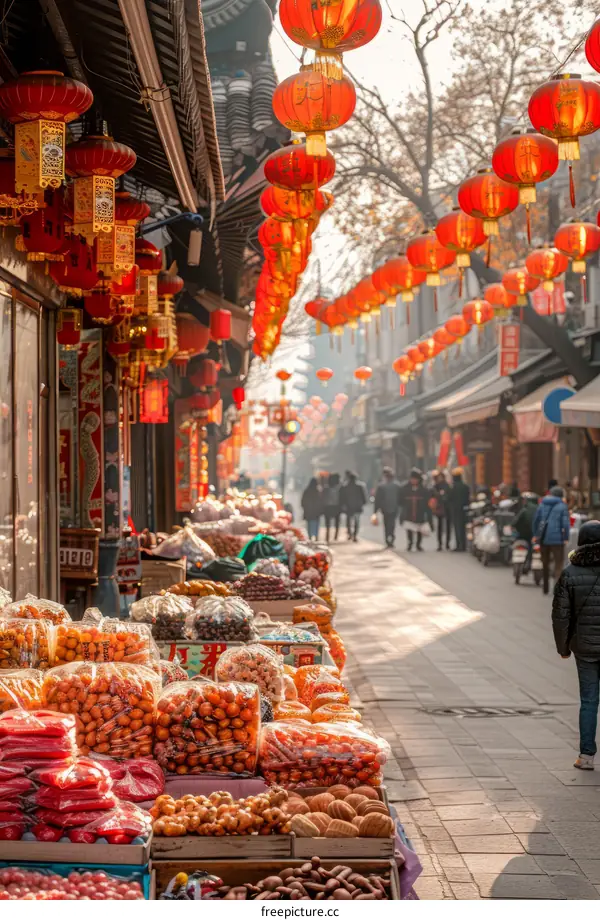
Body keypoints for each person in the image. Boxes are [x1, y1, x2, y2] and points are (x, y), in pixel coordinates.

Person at [552, 520, 600, 770]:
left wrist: (563, 648)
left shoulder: (570, 573)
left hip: (585, 648)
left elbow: (561, 616)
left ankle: (586, 756)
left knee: (589, 701)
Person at [533, 485, 570, 594]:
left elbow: (536, 521)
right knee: (558, 563)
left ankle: (545, 588)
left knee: (545, 563)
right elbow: (565, 524)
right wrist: (566, 537)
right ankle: (557, 588)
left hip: (543, 538)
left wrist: (536, 534)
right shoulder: (562, 506)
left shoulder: (542, 504)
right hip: (557, 540)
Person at [399, 468, 432, 552]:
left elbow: (427, 501)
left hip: (419, 511)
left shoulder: (423, 490)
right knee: (409, 528)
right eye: (412, 479)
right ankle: (410, 543)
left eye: (415, 479)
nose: (413, 481)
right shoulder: (405, 488)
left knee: (419, 528)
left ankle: (418, 544)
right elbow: (401, 500)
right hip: (409, 511)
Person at [374, 467, 402, 548]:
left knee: (386, 525)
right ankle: (391, 538)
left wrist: (375, 511)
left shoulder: (381, 486)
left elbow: (377, 500)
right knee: (392, 524)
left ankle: (388, 540)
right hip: (394, 508)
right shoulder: (397, 485)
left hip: (385, 508)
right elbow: (400, 498)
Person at [340, 471, 367, 542]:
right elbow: (363, 496)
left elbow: (342, 497)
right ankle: (354, 535)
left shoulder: (345, 486)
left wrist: (343, 505)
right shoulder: (360, 486)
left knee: (349, 521)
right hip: (357, 507)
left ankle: (350, 534)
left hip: (349, 507)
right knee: (356, 522)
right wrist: (364, 502)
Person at [448, 467, 470, 551]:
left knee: (457, 528)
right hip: (464, 510)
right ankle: (464, 545)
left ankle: (459, 545)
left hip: (455, 510)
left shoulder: (453, 487)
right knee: (463, 528)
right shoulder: (465, 487)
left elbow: (448, 498)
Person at [431, 470, 451, 552]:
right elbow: (432, 496)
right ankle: (439, 544)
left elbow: (449, 496)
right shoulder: (435, 486)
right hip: (439, 508)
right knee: (439, 527)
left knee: (448, 526)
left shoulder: (447, 486)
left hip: (447, 508)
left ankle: (447, 543)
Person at [323, 472, 342, 543]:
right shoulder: (339, 488)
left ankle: (327, 535)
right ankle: (335, 536)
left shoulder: (326, 488)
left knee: (327, 522)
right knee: (337, 522)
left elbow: (323, 498)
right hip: (336, 506)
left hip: (327, 507)